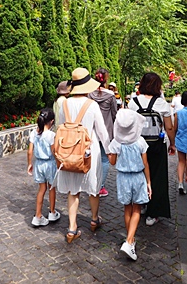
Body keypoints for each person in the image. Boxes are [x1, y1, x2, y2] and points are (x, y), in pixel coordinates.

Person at [55, 68, 110, 243]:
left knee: (73, 190)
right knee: (93, 188)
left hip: (69, 151)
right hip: (88, 151)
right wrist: (109, 150)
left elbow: (60, 127)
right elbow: (101, 131)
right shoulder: (91, 104)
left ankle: (72, 228)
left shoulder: (64, 103)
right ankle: (94, 219)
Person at [127, 72, 175, 226]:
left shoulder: (133, 103)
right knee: (157, 177)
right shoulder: (162, 104)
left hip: (137, 145)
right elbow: (169, 127)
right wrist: (172, 144)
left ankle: (140, 205)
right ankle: (153, 213)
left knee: (139, 175)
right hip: (157, 145)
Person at [108, 109, 152, 261]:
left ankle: (130, 240)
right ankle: (129, 241)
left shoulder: (116, 142)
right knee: (137, 209)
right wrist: (149, 182)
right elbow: (145, 163)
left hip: (123, 178)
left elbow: (112, 162)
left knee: (127, 208)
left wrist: (111, 155)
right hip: (138, 177)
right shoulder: (140, 141)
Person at [27, 108, 61, 226]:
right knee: (52, 188)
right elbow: (54, 151)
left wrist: (29, 164)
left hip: (39, 164)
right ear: (51, 121)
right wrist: (59, 164)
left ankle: (38, 215)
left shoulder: (34, 133)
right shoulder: (51, 135)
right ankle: (52, 212)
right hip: (50, 163)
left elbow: (30, 151)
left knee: (41, 189)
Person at [88, 68, 117, 198]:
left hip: (92, 131)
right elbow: (114, 114)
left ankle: (91, 183)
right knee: (105, 159)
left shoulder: (89, 94)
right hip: (107, 131)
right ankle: (100, 186)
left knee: (93, 158)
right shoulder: (111, 95)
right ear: (106, 79)